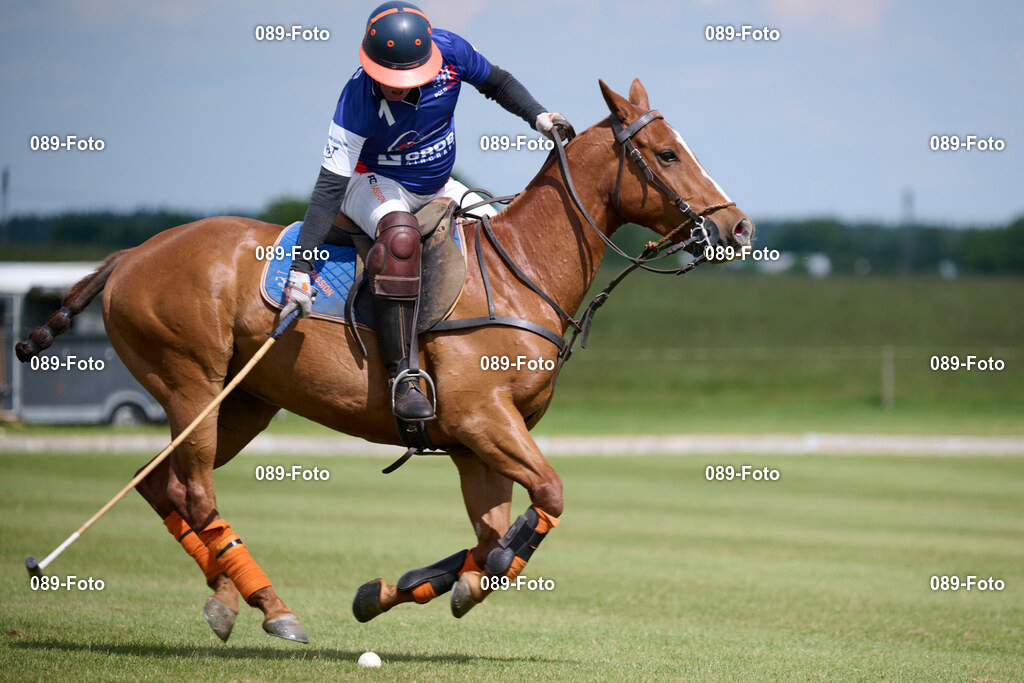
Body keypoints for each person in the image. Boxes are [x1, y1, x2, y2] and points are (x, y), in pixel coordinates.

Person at [282, 1, 572, 421]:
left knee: (503, 237)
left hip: (438, 185)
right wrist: (301, 270)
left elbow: (499, 82)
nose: (394, 87)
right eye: (387, 78)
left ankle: (486, 361)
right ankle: (403, 376)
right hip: (372, 185)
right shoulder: (357, 97)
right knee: (400, 237)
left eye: (404, 78)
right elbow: (329, 188)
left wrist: (539, 116)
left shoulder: (451, 51)